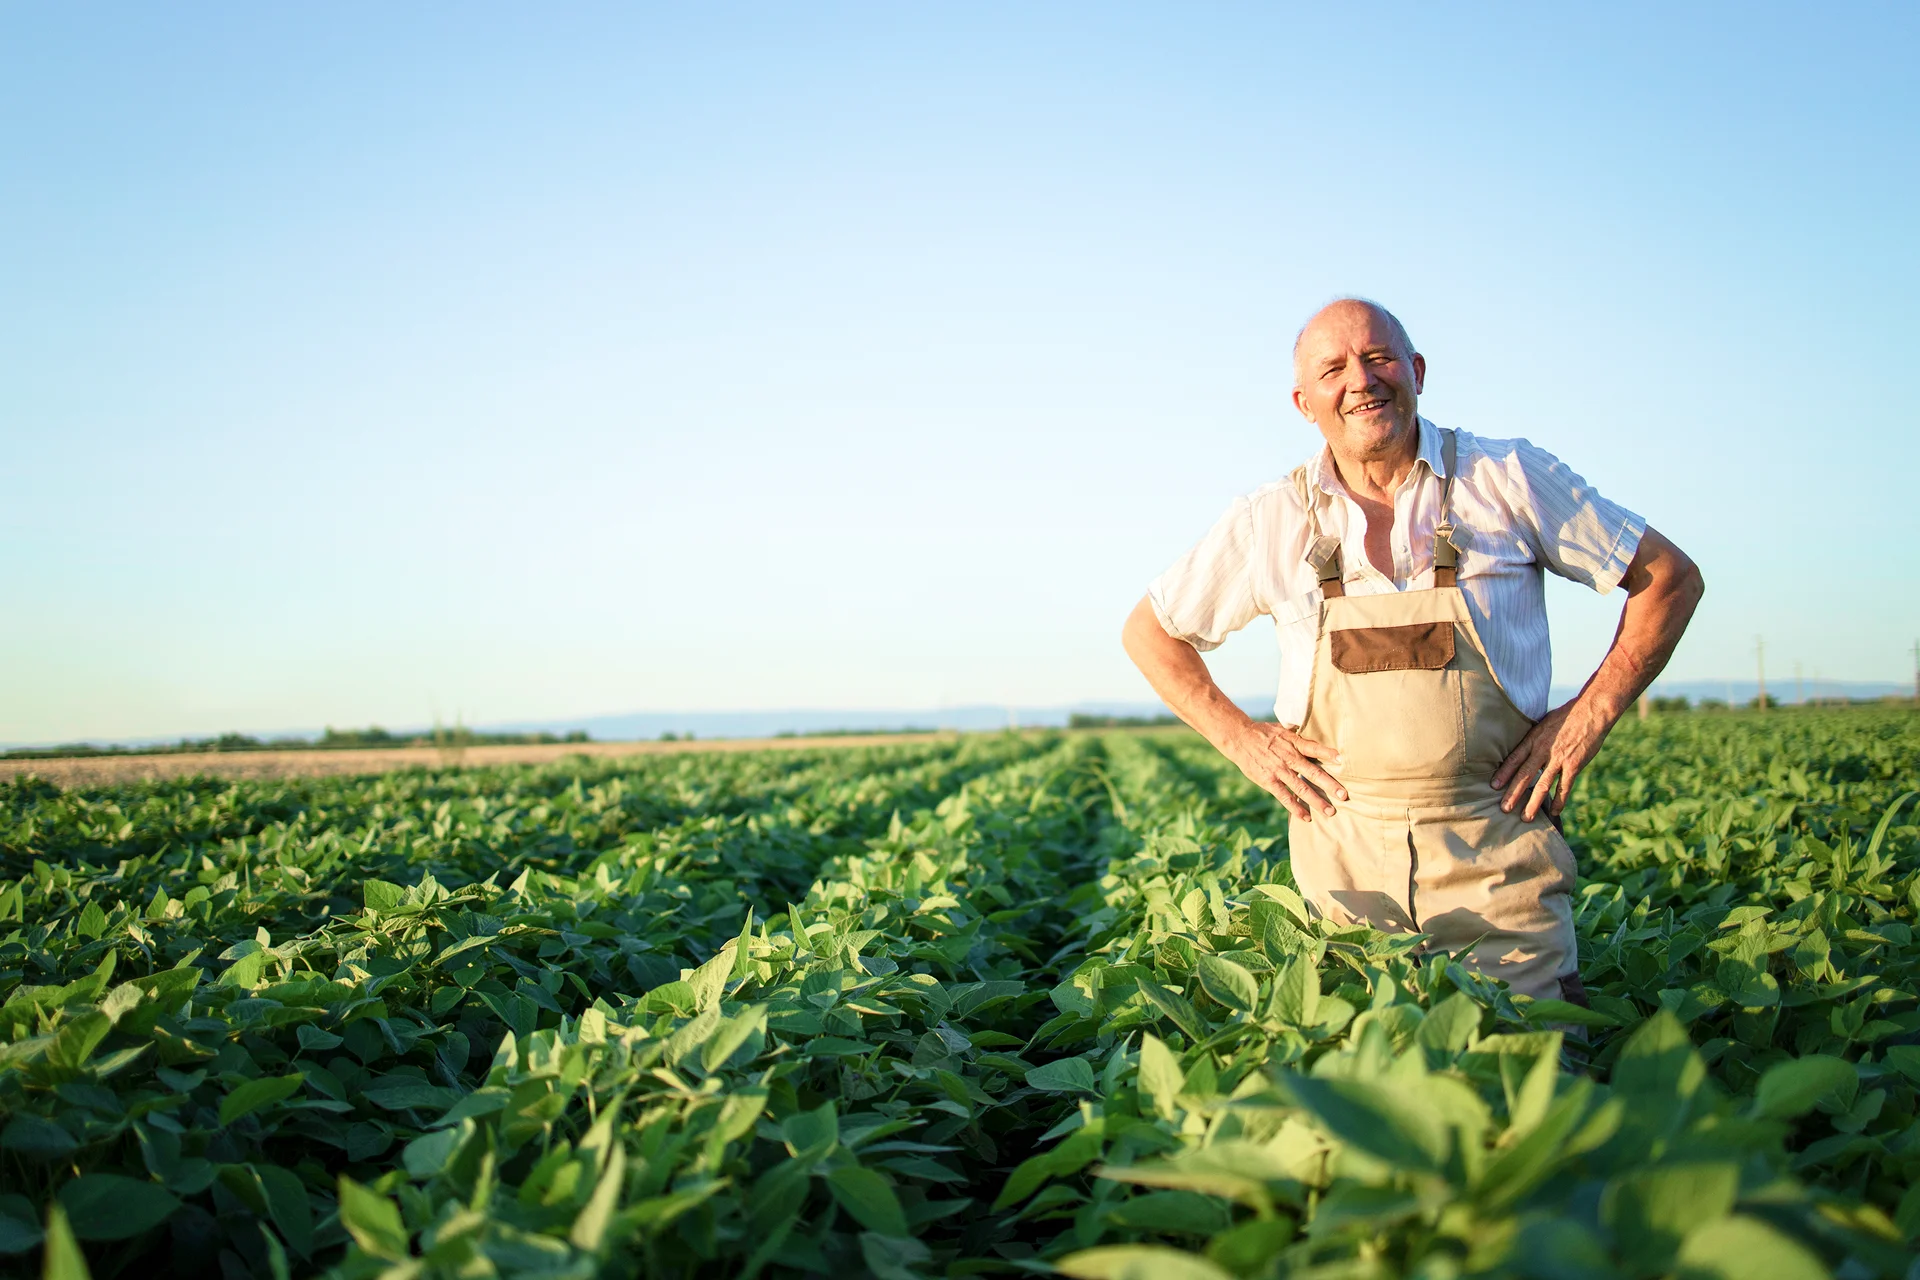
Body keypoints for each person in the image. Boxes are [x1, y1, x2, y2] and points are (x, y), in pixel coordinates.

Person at [1121, 298, 1704, 1002]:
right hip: (1345, 891)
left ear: (1417, 371)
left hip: (1500, 877)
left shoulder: (1506, 479)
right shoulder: (1272, 518)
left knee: (1536, 1086)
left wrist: (1587, 714)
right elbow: (1151, 632)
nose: (1360, 380)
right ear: (1305, 403)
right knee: (1366, 1095)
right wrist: (1242, 739)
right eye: (1333, 369)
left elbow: (1667, 578)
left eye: (1378, 358)